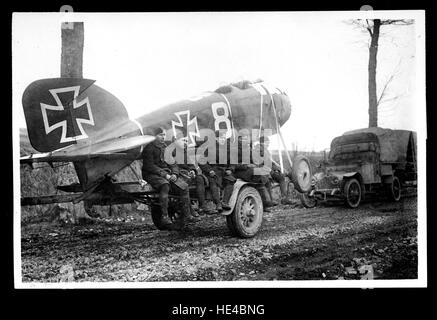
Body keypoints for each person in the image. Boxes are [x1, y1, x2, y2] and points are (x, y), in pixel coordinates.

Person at [141, 127, 198, 231]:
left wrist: (175, 173)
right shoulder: (149, 149)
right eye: (160, 135)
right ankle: (164, 216)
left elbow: (172, 163)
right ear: (154, 136)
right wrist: (165, 175)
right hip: (151, 174)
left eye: (163, 135)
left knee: (183, 186)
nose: (163, 137)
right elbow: (149, 166)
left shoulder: (165, 148)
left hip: (165, 173)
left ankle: (187, 214)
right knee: (165, 185)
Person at [255, 136, 295, 205]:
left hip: (266, 169)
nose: (268, 144)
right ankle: (283, 199)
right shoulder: (261, 150)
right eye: (267, 142)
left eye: (268, 142)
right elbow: (267, 162)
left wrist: (279, 168)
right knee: (281, 177)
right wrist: (277, 169)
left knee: (281, 175)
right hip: (264, 170)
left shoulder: (263, 149)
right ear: (262, 142)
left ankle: (280, 198)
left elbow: (270, 162)